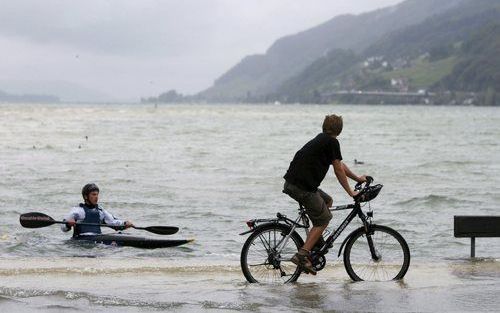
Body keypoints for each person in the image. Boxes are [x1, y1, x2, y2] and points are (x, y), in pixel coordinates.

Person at [283, 114, 367, 275]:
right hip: (302, 187)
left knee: (327, 201)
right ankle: (302, 255)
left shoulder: (322, 140)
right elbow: (337, 170)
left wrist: (357, 178)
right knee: (324, 220)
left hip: (295, 184)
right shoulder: (332, 142)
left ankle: (315, 243)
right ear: (339, 130)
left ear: (324, 126)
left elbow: (339, 164)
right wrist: (350, 192)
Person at [61, 183, 134, 237]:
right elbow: (63, 227)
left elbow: (112, 222)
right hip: (80, 241)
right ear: (86, 196)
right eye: (93, 194)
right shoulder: (77, 210)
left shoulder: (100, 211)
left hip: (97, 240)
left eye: (97, 194)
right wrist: (68, 224)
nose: (96, 197)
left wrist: (124, 224)